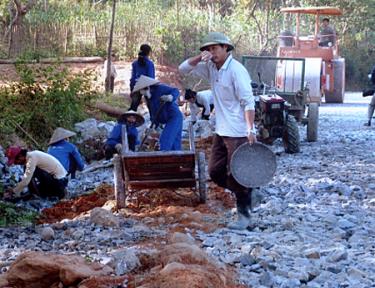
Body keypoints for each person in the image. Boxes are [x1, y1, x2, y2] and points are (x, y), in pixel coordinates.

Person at [179, 32, 256, 230]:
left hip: (238, 130)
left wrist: (250, 129)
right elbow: (184, 68)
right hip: (221, 129)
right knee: (215, 172)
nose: (212, 52)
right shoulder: (212, 68)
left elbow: (248, 102)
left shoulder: (236, 70)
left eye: (215, 48)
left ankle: (244, 217)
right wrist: (199, 57)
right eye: (208, 49)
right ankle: (250, 194)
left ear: (226, 48)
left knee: (236, 174)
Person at [132, 75, 182, 151]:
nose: (143, 94)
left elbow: (176, 91)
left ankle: (166, 159)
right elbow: (153, 114)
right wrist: (153, 126)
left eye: (143, 91)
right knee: (174, 143)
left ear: (147, 87)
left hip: (174, 117)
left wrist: (170, 97)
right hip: (166, 119)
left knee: (166, 140)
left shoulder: (160, 88)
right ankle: (176, 160)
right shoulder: (149, 99)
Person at [129, 44, 155, 112]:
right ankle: (153, 121)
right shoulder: (149, 64)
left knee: (133, 107)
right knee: (151, 107)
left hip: (137, 86)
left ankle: (128, 120)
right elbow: (151, 78)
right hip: (146, 87)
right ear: (148, 53)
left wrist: (132, 89)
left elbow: (133, 78)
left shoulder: (135, 63)